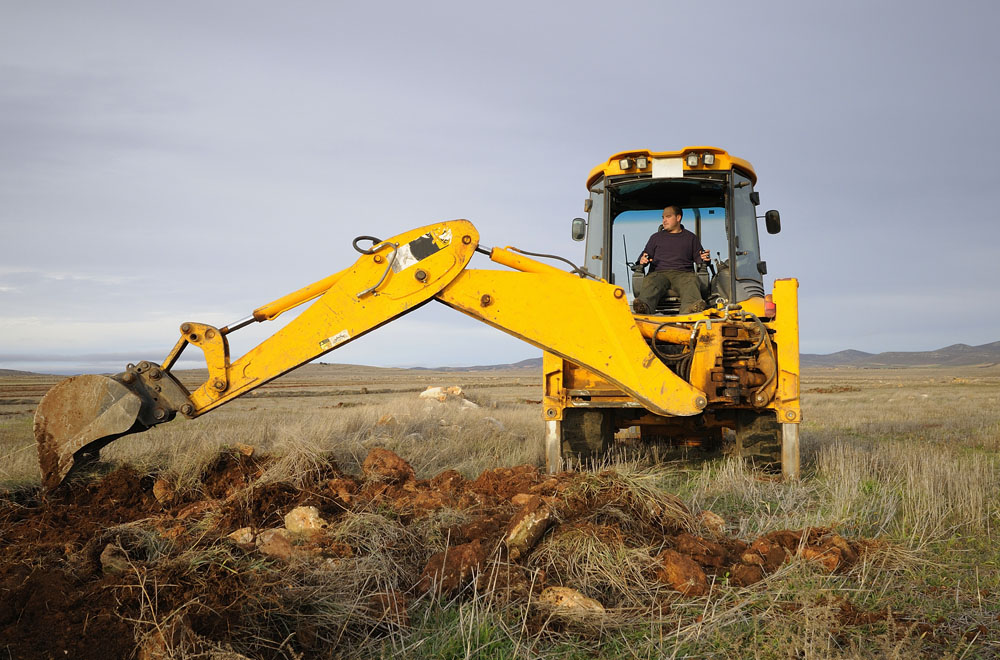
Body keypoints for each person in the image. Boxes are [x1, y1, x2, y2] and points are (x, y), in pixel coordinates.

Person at [632, 205, 711, 314]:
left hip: (683, 274)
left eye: (668, 217)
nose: (664, 220)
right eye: (663, 217)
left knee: (691, 280)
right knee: (651, 281)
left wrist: (705, 259)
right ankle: (644, 307)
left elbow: (700, 260)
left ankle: (690, 309)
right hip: (659, 274)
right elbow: (644, 257)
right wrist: (642, 261)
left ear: (678, 218)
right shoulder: (655, 238)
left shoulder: (691, 238)